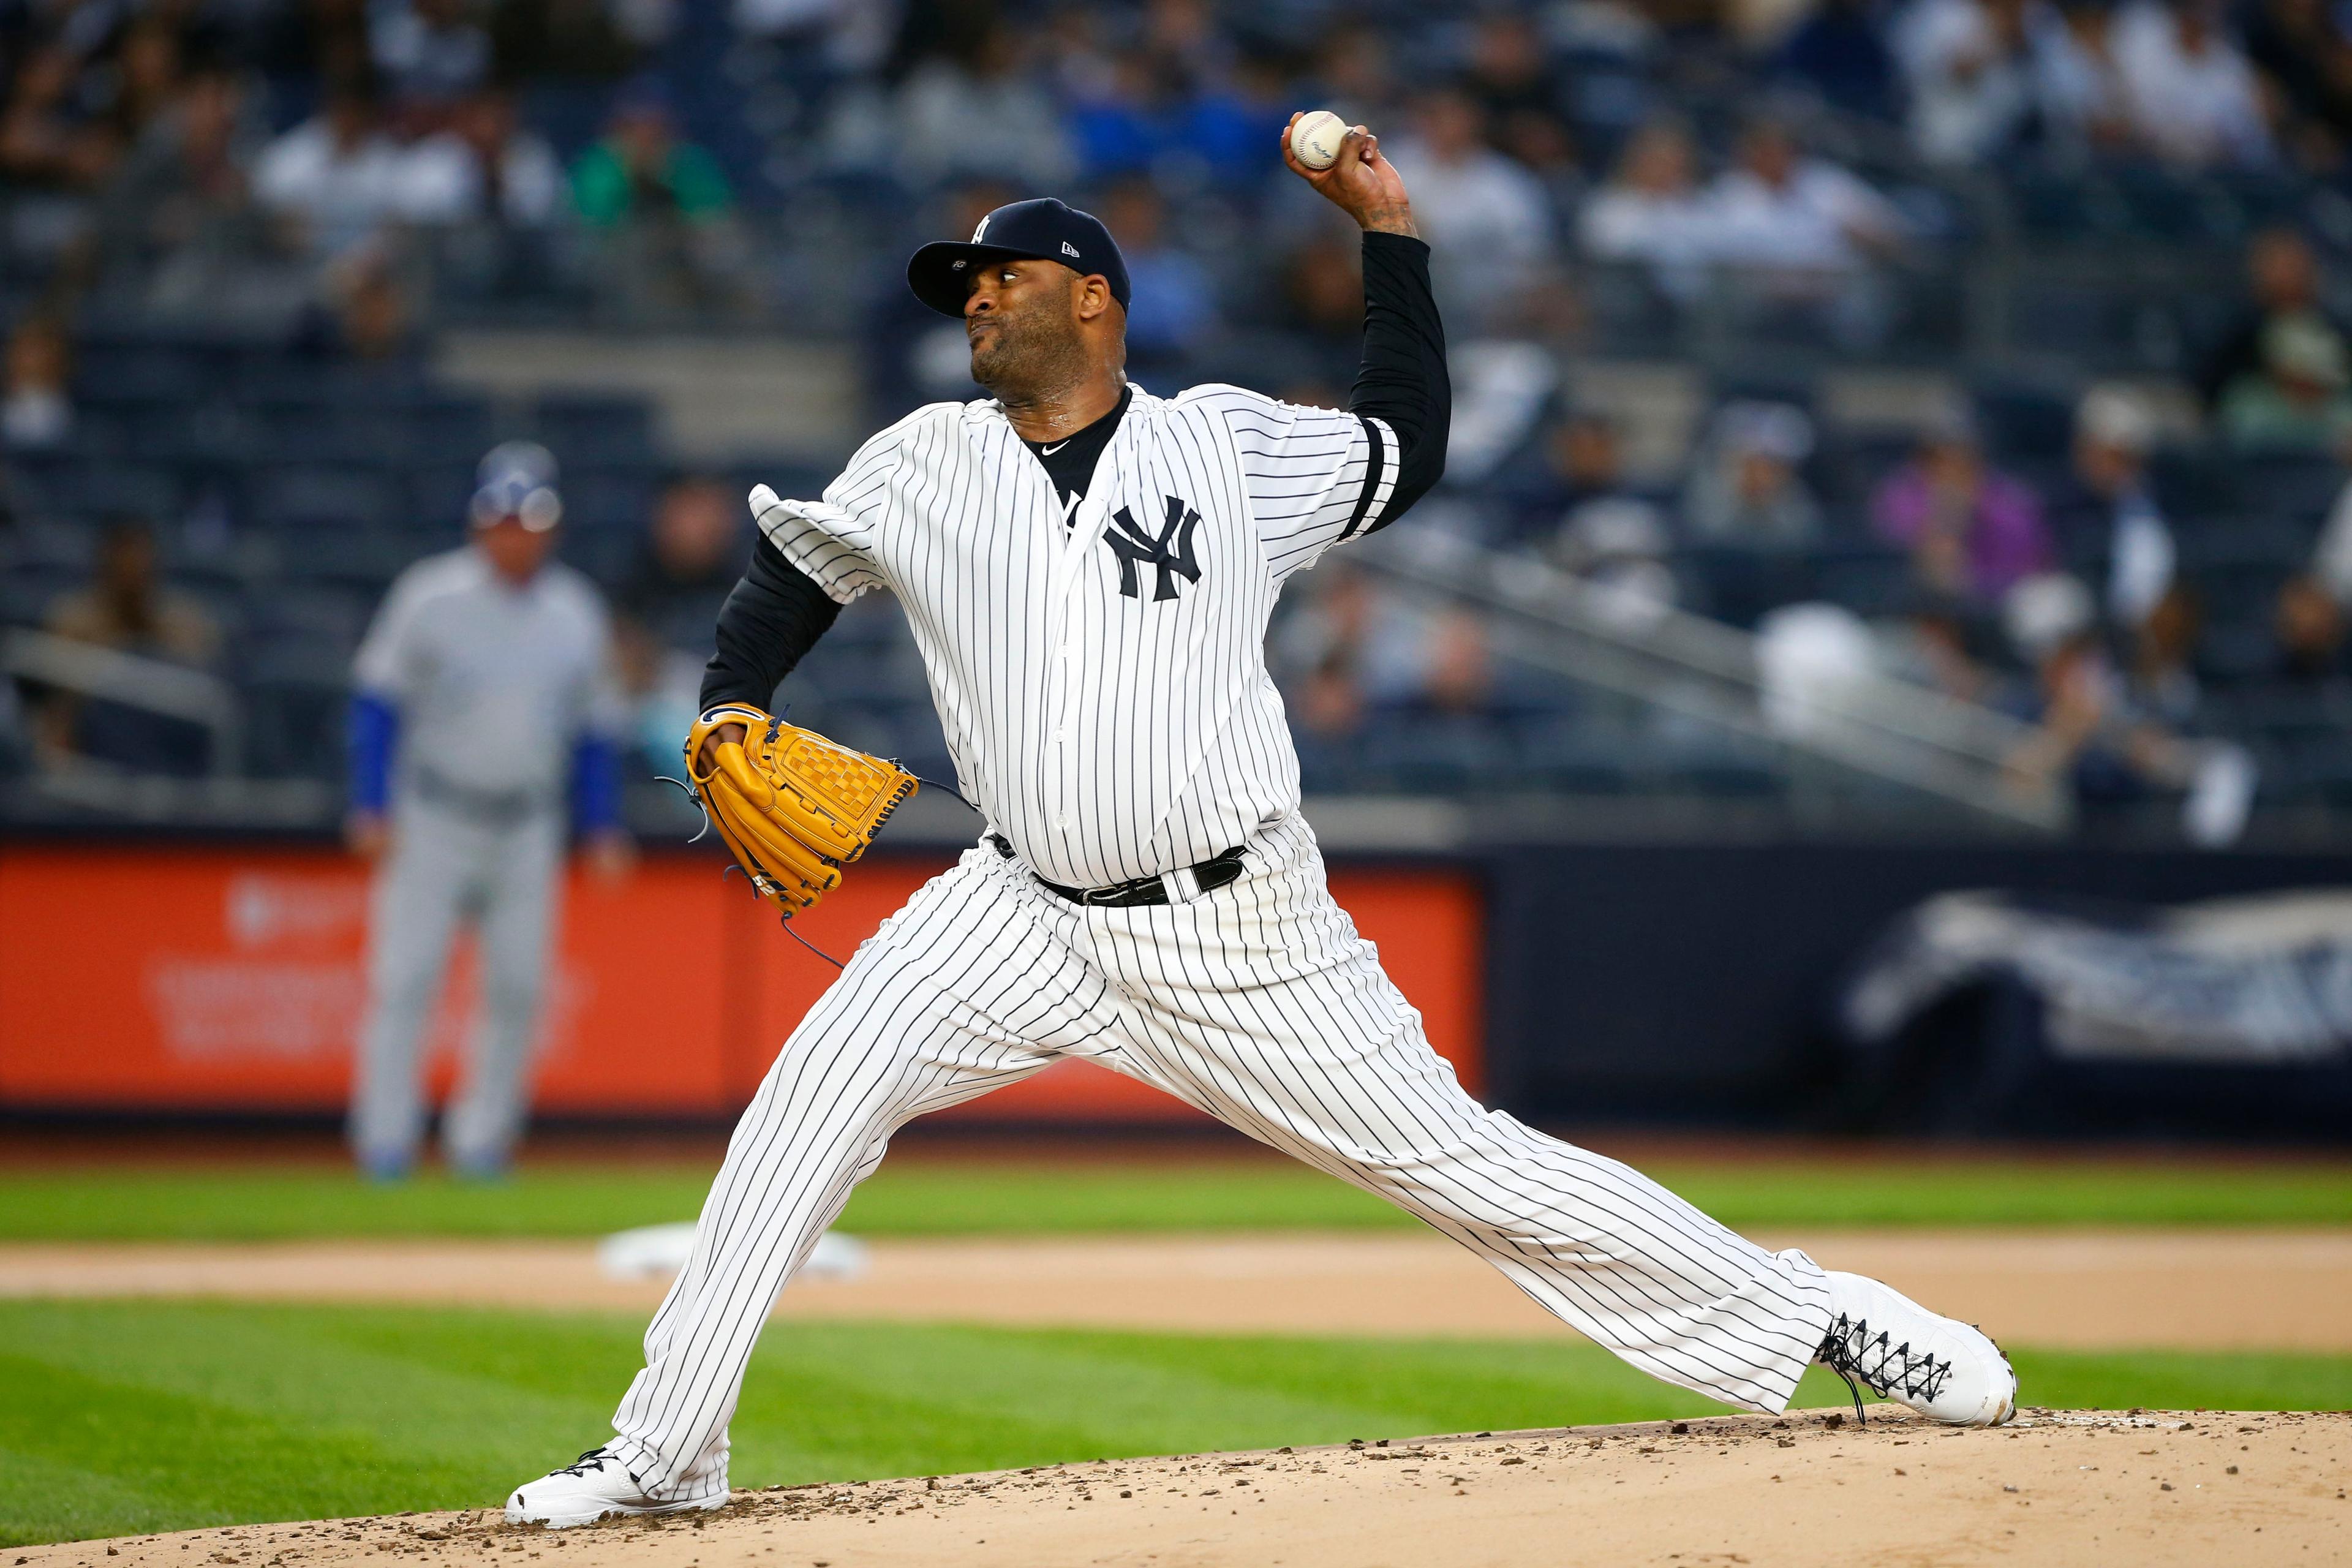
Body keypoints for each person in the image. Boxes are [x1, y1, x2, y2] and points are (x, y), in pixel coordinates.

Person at [502, 115, 2016, 1531]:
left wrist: (1391, 235)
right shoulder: (922, 461)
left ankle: (1819, 1314)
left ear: (1090, 301)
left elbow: (1404, 446)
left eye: (998, 278)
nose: (970, 301)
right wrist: (723, 701)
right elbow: (793, 576)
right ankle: (661, 1452)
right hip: (1015, 906)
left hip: (1238, 924)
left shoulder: (1224, 447)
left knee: (1467, 1168)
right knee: (807, 1099)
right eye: (959, 283)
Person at [345, 442, 629, 1182]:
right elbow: (377, 703)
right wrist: (371, 803)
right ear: (479, 524)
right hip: (434, 810)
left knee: (517, 986)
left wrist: (599, 824)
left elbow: (597, 728)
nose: (514, 534)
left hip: (526, 823)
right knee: (405, 979)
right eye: (502, 520)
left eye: (528, 521)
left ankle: (481, 1141)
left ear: (551, 529)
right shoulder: (429, 595)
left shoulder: (574, 611)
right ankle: (386, 1141)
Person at [1871, 410, 2054, 603]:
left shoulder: (2005, 494)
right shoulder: (1902, 492)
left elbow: (2033, 548)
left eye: (1962, 454)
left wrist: (1977, 512)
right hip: (1924, 602)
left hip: (2011, 593)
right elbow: (1893, 544)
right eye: (1941, 457)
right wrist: (1947, 513)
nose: (1953, 466)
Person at [1681, 399, 1823, 548]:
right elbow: (1703, 536)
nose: (1761, 475)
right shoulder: (1706, 496)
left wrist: (1767, 508)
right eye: (1752, 466)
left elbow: (1804, 540)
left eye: (1773, 467)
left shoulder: (1798, 505)